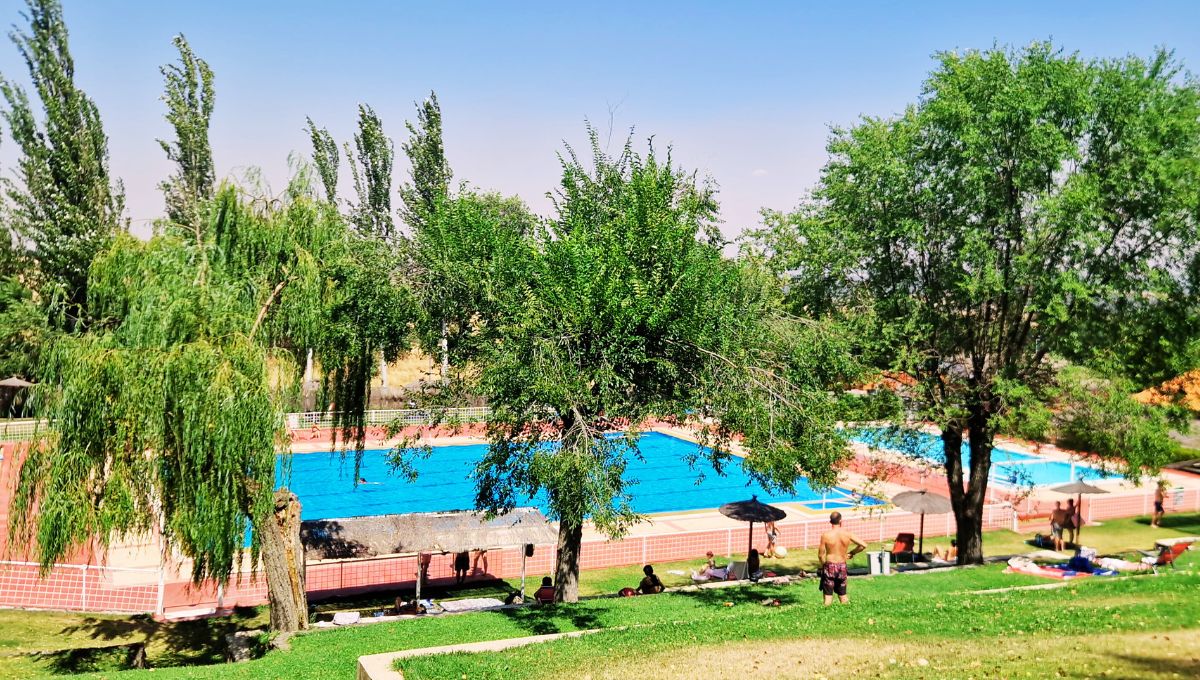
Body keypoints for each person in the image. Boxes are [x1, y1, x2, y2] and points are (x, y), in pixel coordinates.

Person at [817, 511, 867, 606]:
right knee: (843, 594)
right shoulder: (847, 534)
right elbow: (863, 545)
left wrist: (823, 565)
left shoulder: (826, 535)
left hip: (830, 565)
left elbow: (820, 554)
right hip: (842, 566)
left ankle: (826, 613)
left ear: (830, 521)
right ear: (841, 521)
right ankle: (847, 613)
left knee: (828, 596)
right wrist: (852, 553)